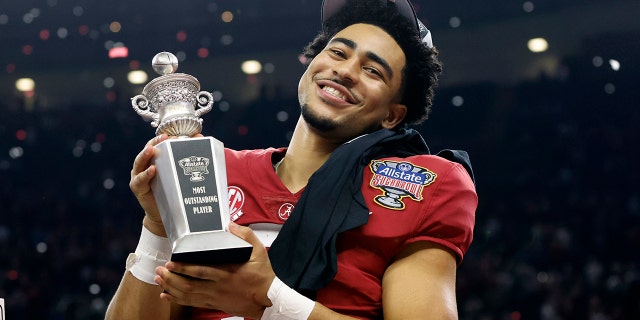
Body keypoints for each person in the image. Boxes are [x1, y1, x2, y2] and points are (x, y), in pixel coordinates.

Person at [106, 0, 477, 319]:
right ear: (311, 62)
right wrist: (158, 224)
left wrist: (270, 300)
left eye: (372, 70)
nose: (345, 71)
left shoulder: (423, 184)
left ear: (393, 115)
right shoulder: (215, 170)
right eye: (338, 51)